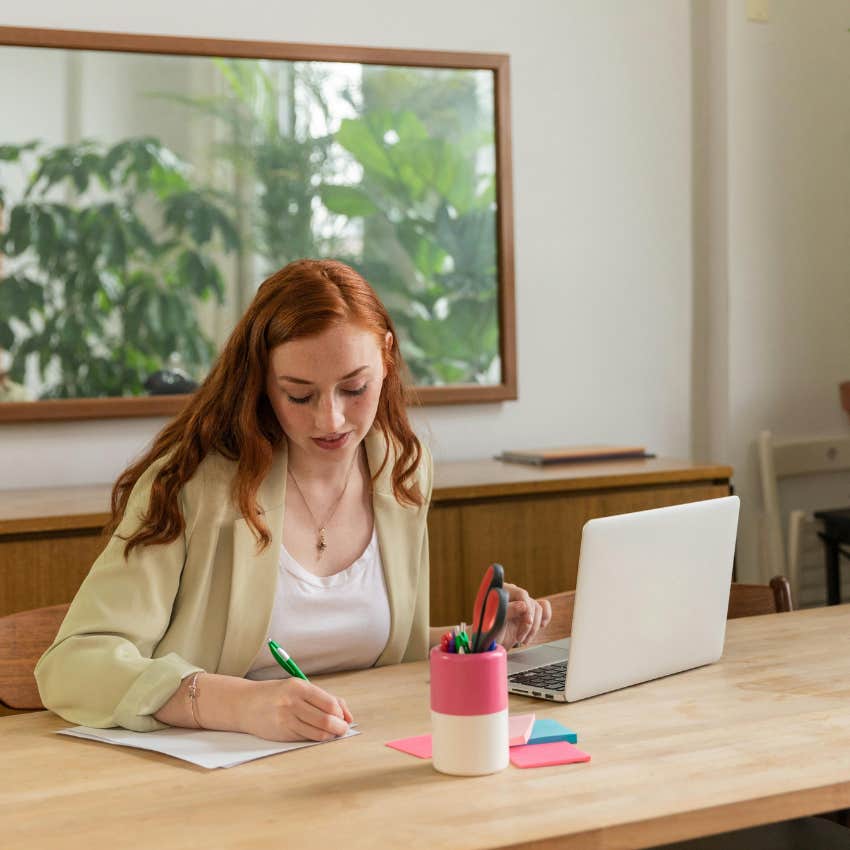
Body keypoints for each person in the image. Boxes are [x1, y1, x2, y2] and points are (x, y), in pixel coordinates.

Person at [35, 259, 552, 743]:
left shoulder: (401, 470)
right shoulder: (192, 483)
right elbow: (73, 665)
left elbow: (377, 649)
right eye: (299, 395)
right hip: (208, 781)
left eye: (355, 388)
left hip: (356, 760)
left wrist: (474, 642)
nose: (330, 419)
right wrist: (238, 704)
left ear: (387, 357)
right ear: (261, 381)